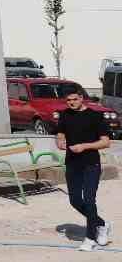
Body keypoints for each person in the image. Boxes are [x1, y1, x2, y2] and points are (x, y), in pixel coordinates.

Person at [56, 87, 113, 251]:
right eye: (68, 100)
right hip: (72, 163)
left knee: (89, 199)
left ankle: (90, 238)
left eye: (74, 99)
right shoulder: (65, 115)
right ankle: (102, 224)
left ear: (82, 98)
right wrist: (59, 141)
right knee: (75, 200)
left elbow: (105, 142)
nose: (71, 103)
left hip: (91, 163)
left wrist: (84, 146)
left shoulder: (95, 116)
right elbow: (60, 133)